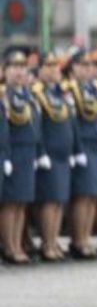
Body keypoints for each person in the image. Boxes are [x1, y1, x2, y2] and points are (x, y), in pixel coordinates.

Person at [32, 53, 75, 262]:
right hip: (49, 151)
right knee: (50, 200)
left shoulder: (60, 92)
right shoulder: (37, 93)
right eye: (48, 66)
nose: (54, 70)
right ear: (39, 70)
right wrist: (40, 153)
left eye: (55, 66)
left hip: (62, 152)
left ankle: (54, 240)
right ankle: (47, 244)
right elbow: (36, 127)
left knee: (59, 200)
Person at [65, 51, 97, 259]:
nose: (88, 68)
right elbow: (72, 125)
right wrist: (77, 149)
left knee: (93, 196)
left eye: (90, 65)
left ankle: (86, 238)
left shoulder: (94, 89)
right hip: (84, 146)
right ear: (73, 68)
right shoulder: (70, 90)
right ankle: (78, 240)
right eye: (82, 65)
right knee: (82, 196)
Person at [1, 51, 33, 264]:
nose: (20, 71)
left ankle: (18, 243)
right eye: (14, 67)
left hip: (27, 152)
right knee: (10, 203)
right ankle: (9, 246)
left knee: (21, 202)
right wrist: (6, 156)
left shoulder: (26, 95)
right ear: (5, 71)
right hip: (12, 151)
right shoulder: (5, 95)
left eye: (23, 67)